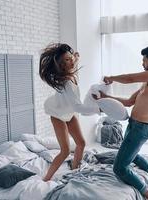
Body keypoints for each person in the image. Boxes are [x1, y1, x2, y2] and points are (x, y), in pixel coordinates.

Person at [93, 46, 148, 200]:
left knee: (119, 168)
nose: (142, 64)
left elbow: (131, 78)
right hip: (133, 125)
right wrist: (105, 98)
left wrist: (112, 78)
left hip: (141, 128)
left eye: (144, 60)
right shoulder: (147, 83)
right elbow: (128, 102)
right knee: (131, 155)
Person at [39, 43, 100, 181]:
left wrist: (75, 56)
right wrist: (99, 109)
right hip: (58, 116)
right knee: (65, 151)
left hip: (69, 113)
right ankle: (46, 178)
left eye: (70, 57)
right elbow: (79, 108)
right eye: (67, 60)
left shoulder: (71, 70)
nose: (71, 60)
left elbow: (75, 59)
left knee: (81, 143)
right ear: (61, 65)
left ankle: (75, 169)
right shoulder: (66, 82)